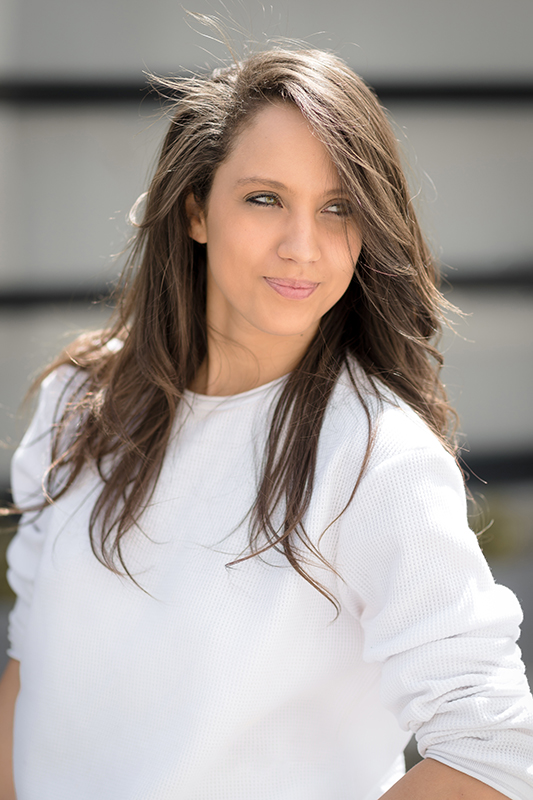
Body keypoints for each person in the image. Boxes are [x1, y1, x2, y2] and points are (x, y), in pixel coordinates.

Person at [0, 42, 532, 800]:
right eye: (264, 199)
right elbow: (33, 673)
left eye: (338, 208)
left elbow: (492, 747)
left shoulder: (376, 459)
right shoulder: (82, 398)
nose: (301, 247)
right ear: (195, 210)